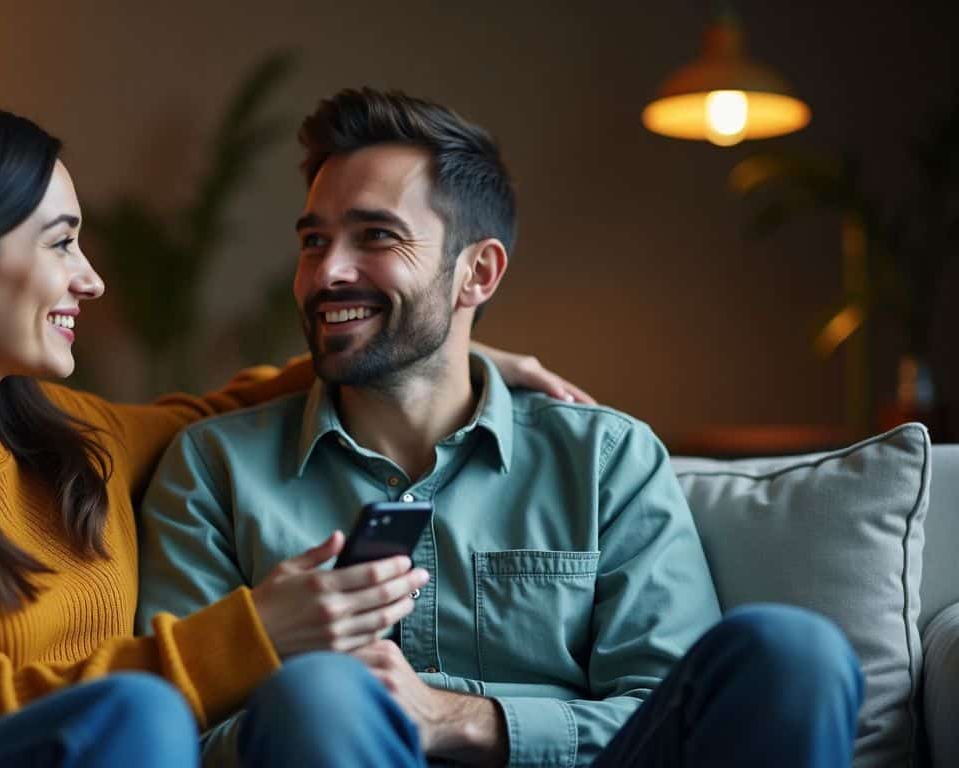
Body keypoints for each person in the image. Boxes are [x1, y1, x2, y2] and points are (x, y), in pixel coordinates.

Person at [0, 95, 584, 768]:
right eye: (62, 242)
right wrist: (255, 631)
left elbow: (219, 410)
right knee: (140, 721)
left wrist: (446, 352)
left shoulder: (58, 434)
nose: (92, 281)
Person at [137, 88, 866, 768]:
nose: (328, 272)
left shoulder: (604, 458)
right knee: (319, 691)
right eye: (313, 241)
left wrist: (460, 718)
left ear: (478, 274)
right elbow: (178, 732)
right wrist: (322, 699)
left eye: (376, 236)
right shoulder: (213, 469)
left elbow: (663, 707)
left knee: (794, 650)